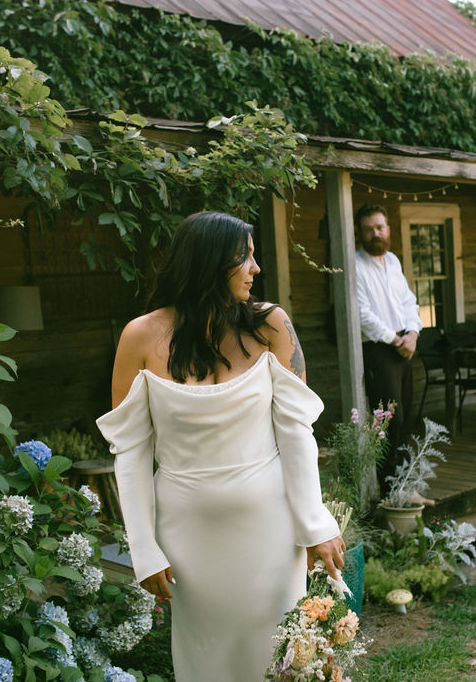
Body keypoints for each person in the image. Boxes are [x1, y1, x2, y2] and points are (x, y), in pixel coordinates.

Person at [95, 212, 344, 682]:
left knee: (281, 655)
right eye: (244, 257)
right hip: (188, 537)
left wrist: (314, 524)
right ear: (210, 262)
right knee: (207, 661)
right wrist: (144, 548)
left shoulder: (269, 325)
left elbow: (295, 433)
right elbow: (130, 452)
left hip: (270, 529)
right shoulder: (140, 337)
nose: (256, 268)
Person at [352, 203, 424, 491]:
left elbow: (408, 301)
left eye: (380, 227)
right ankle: (388, 488)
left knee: (406, 418)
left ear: (388, 229)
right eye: (369, 230)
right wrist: (395, 340)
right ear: (360, 233)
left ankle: (403, 484)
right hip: (380, 350)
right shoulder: (355, 265)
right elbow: (362, 314)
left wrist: (413, 335)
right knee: (390, 421)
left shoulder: (392, 261)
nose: (376, 234)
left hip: (404, 346)